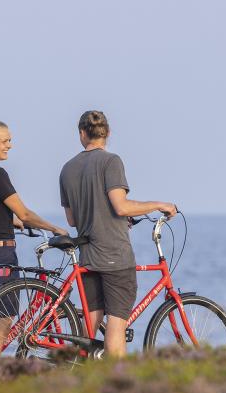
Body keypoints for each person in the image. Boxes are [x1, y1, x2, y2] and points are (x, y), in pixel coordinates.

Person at [58, 110, 177, 358]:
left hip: (88, 255)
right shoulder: (111, 161)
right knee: (117, 324)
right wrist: (158, 204)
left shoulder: (67, 169)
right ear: (108, 133)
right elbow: (120, 206)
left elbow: (72, 219)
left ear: (82, 134)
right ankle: (118, 382)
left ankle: (75, 374)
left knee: (89, 322)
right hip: (114, 254)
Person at [0, 119, 66, 355]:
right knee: (1, 326)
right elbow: (25, 213)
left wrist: (13, 223)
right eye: (5, 141)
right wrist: (55, 229)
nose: (10, 145)